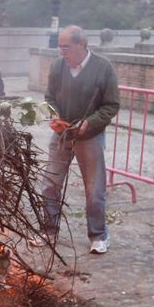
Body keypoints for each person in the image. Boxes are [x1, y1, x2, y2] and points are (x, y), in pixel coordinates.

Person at [39, 25, 120, 254]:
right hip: (62, 134)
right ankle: (49, 230)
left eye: (66, 47)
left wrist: (91, 122)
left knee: (94, 189)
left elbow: (111, 105)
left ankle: (98, 235)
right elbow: (49, 98)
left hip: (90, 136)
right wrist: (53, 115)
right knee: (50, 184)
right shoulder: (58, 66)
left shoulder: (103, 68)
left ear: (81, 45)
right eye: (60, 47)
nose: (61, 52)